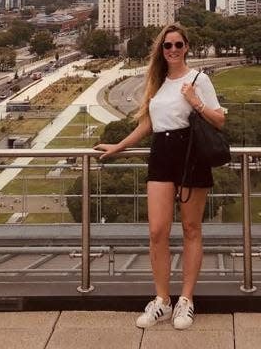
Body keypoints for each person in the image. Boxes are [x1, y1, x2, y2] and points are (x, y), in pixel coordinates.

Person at [94, 23, 225, 331]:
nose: (174, 50)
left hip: (191, 154)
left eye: (179, 44)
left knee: (191, 229)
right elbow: (148, 124)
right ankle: (163, 300)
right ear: (161, 51)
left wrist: (196, 101)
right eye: (168, 46)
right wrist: (119, 146)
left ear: (187, 47)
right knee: (157, 231)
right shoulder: (158, 81)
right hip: (161, 154)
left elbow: (219, 120)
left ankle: (186, 300)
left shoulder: (198, 79)